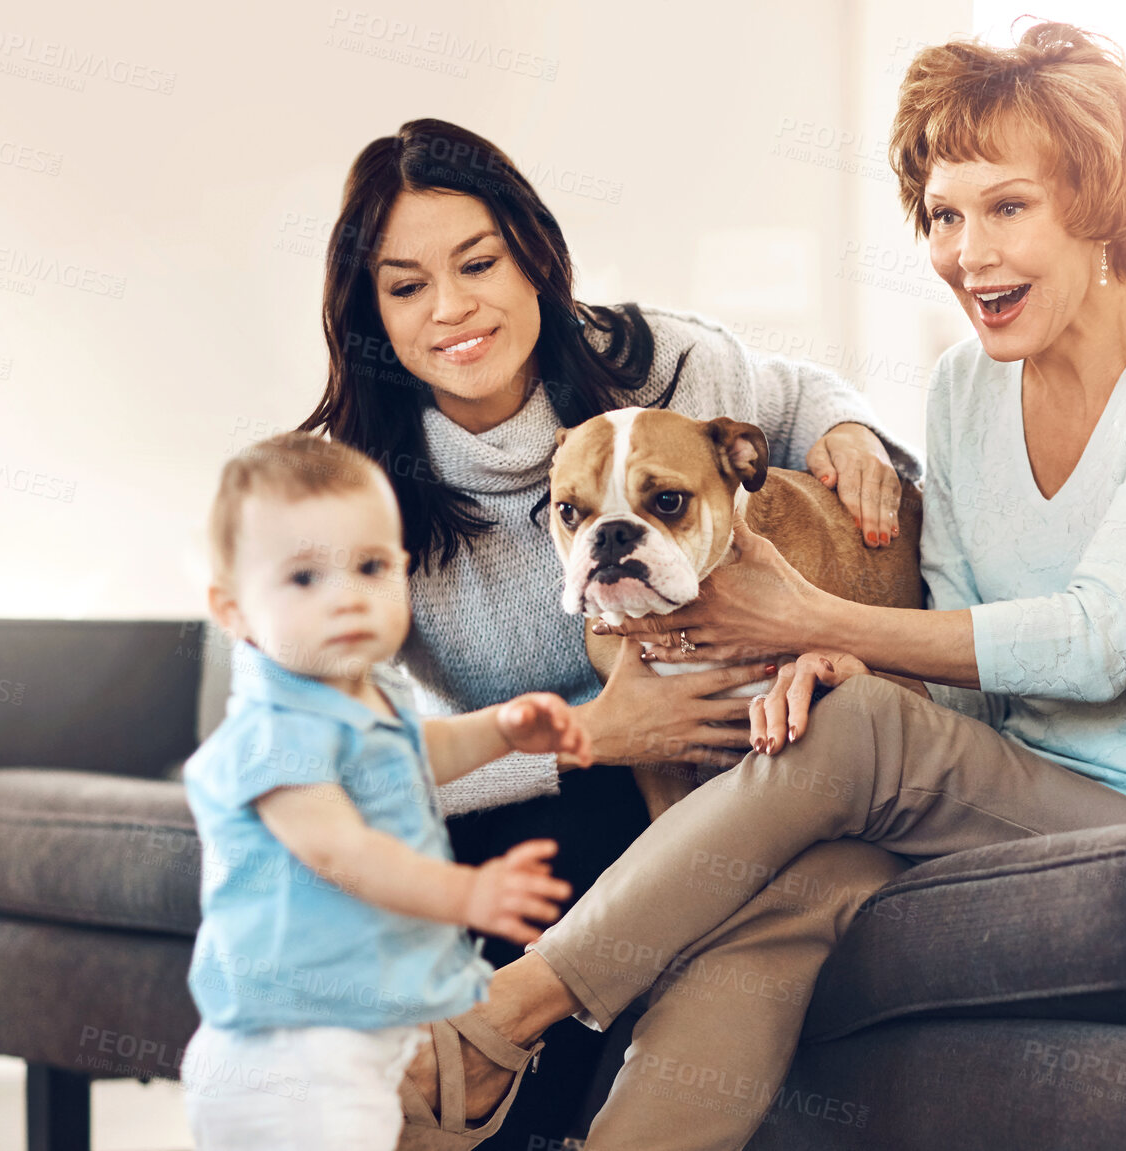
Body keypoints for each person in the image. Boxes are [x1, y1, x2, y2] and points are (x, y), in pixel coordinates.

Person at [395, 22, 1126, 1151]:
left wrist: (817, 624)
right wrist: (844, 664)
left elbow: (1106, 639)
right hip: (1010, 785)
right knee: (786, 887)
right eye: (945, 215)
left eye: (1009, 207)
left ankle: (508, 1011)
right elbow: (953, 665)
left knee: (850, 729)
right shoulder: (963, 389)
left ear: (1098, 201)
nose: (967, 252)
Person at [297, 118, 921, 1147]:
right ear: (371, 313)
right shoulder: (348, 483)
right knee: (534, 842)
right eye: (406, 286)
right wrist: (593, 735)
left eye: (479, 262)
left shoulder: (661, 364)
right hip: (541, 777)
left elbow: (799, 395)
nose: (451, 307)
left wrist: (849, 430)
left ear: (535, 258)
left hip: (702, 780)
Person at [179, 432, 593, 1150]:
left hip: (357, 1033)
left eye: (370, 567)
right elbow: (343, 850)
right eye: (305, 578)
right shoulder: (274, 730)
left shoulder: (374, 693)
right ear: (234, 610)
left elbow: (411, 756)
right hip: (286, 1051)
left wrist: (501, 728)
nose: (347, 597)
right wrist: (464, 894)